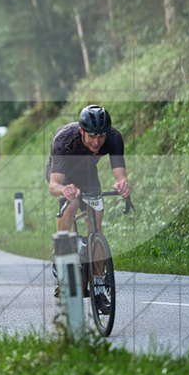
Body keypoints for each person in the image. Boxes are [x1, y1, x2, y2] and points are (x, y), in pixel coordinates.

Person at [47, 104, 129, 311]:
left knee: (96, 228)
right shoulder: (64, 139)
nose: (97, 142)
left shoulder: (114, 138)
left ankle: (99, 289)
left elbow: (119, 173)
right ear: (82, 131)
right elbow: (53, 185)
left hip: (88, 176)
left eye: (101, 137)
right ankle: (62, 249)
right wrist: (65, 190)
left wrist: (121, 184)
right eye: (92, 136)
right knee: (72, 202)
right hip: (63, 176)